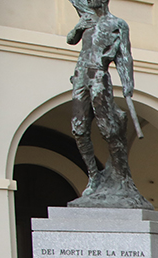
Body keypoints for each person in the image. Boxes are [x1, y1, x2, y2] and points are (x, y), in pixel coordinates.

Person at [66, 0, 149, 207]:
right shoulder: (85, 18)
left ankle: (121, 177)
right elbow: (70, 39)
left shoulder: (117, 24)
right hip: (80, 76)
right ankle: (94, 177)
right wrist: (78, 27)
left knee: (109, 129)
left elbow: (125, 56)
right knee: (78, 129)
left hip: (98, 76)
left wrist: (128, 83)